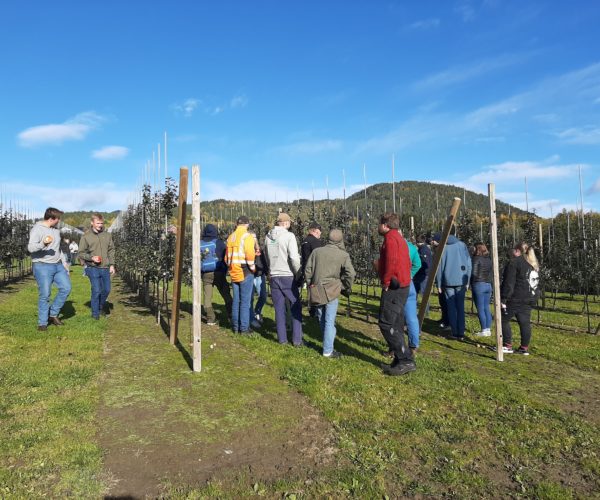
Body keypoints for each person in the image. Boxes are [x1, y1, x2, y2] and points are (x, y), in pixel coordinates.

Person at [374, 213, 415, 376]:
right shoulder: (399, 238)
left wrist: (386, 281)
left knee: (386, 323)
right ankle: (400, 359)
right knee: (396, 324)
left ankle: (406, 360)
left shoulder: (390, 238)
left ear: (385, 225)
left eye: (379, 224)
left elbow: (392, 262)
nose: (378, 227)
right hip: (403, 285)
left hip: (394, 287)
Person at [304, 229, 355, 358]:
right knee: (329, 321)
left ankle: (327, 343)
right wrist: (345, 286)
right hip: (332, 290)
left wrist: (311, 283)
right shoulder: (343, 255)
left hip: (317, 289)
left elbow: (308, 270)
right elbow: (351, 274)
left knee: (322, 318)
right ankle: (328, 350)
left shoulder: (316, 252)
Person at [27, 207, 72, 331]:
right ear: (52, 218)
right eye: (58, 219)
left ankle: (52, 314)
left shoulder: (56, 231)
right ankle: (42, 323)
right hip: (42, 266)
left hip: (57, 265)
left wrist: (64, 264)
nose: (59, 221)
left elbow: (58, 249)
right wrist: (43, 244)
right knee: (45, 294)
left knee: (66, 288)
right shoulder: (37, 229)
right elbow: (30, 248)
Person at [264, 212, 303, 346]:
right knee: (295, 307)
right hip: (287, 276)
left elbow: (267, 257)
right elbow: (294, 257)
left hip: (274, 276)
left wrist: (271, 270)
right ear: (286, 223)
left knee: (279, 309)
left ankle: (282, 340)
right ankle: (297, 340)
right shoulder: (289, 236)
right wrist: (298, 273)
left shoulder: (268, 237)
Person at [500, 242, 540, 355]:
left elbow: (509, 282)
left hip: (515, 297)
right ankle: (524, 348)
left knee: (503, 320)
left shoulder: (514, 263)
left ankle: (507, 345)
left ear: (517, 251)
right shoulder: (533, 264)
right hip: (529, 298)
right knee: (524, 323)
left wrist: (504, 299)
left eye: (513, 249)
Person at [434, 231, 472, 340]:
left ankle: (454, 332)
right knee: (460, 307)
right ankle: (461, 332)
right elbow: (469, 262)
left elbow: (439, 267)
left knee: (451, 307)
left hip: (447, 281)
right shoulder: (462, 245)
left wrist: (439, 283)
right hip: (461, 280)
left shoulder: (442, 248)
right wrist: (467, 279)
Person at [78, 213, 116, 319]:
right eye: (98, 223)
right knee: (97, 290)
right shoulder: (86, 236)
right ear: (92, 223)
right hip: (92, 267)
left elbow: (111, 250)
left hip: (105, 267)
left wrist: (112, 264)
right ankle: (95, 314)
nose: (100, 225)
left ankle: (99, 306)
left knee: (107, 290)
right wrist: (91, 258)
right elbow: (80, 253)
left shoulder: (107, 235)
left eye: (101, 223)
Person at [225, 216, 256, 334]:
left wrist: (231, 266)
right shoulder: (247, 236)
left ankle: (235, 327)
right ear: (246, 224)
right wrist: (252, 267)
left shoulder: (230, 237)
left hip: (234, 270)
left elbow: (226, 257)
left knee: (236, 300)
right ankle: (244, 328)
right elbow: (249, 253)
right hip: (245, 271)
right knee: (245, 301)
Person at [200, 223, 233, 326]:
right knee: (226, 294)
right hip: (218, 273)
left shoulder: (199, 243)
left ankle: (210, 318)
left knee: (207, 297)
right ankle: (231, 315)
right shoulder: (219, 242)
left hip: (206, 273)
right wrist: (225, 270)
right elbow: (225, 257)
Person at [401, 233, 422, 353]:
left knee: (395, 316)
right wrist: (410, 275)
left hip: (398, 284)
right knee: (412, 316)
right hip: (410, 284)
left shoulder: (393, 246)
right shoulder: (412, 248)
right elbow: (418, 264)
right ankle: (414, 345)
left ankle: (396, 346)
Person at [300, 221, 325, 317]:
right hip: (315, 270)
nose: (320, 234)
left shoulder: (305, 240)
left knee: (311, 291)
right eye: (319, 232)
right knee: (317, 291)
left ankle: (312, 311)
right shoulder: (316, 242)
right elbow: (319, 257)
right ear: (314, 231)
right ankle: (317, 312)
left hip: (306, 269)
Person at [471, 243, 493, 337]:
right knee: (486, 307)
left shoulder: (476, 259)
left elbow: (474, 273)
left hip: (479, 284)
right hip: (488, 285)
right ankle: (488, 329)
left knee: (480, 308)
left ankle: (484, 330)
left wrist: (470, 282)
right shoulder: (489, 260)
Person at [431, 235, 450, 330]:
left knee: (445, 302)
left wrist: (439, 282)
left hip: (443, 280)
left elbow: (439, 266)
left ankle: (447, 321)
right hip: (440, 280)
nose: (432, 241)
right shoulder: (436, 250)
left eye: (434, 240)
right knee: (442, 301)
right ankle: (444, 318)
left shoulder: (441, 250)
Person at [413, 235, 432, 316]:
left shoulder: (424, 250)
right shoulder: (421, 249)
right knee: (415, 293)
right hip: (419, 275)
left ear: (418, 242)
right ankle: (415, 309)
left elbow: (425, 264)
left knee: (424, 294)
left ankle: (425, 311)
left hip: (423, 275)